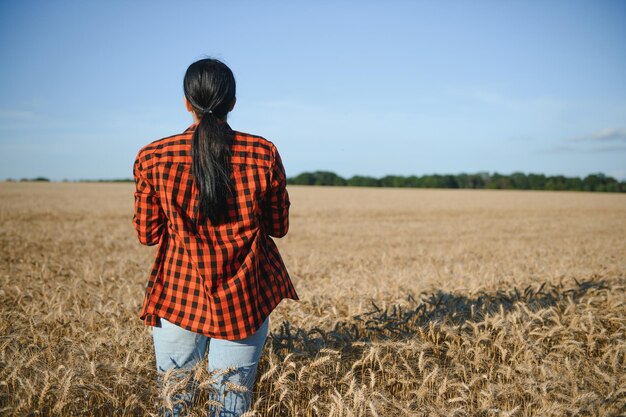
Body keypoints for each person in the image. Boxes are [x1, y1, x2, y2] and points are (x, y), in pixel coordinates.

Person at [132, 57, 299, 416]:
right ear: (233, 103)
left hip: (178, 295)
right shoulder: (263, 153)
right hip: (243, 298)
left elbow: (147, 233)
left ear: (186, 103)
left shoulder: (152, 156)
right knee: (231, 407)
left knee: (173, 405)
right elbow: (278, 227)